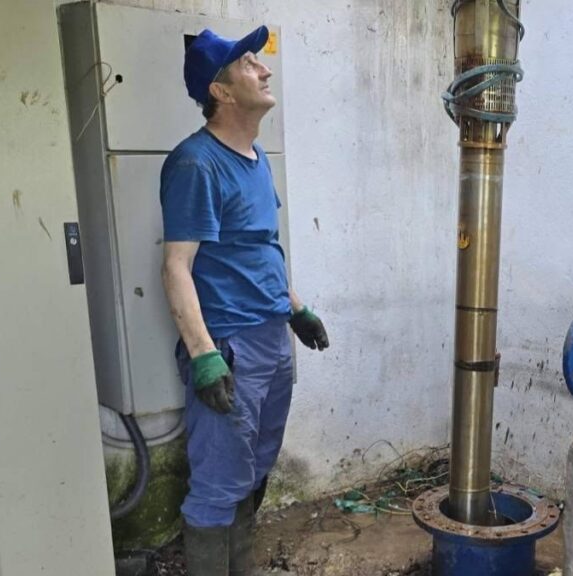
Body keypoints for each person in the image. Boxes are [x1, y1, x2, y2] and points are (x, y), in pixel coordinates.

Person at [160, 26, 329, 575]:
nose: (264, 69)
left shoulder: (256, 159)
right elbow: (176, 266)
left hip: (271, 340)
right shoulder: (196, 163)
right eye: (249, 64)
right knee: (218, 483)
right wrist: (204, 356)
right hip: (229, 347)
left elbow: (261, 248)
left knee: (253, 470)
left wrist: (296, 308)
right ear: (221, 91)